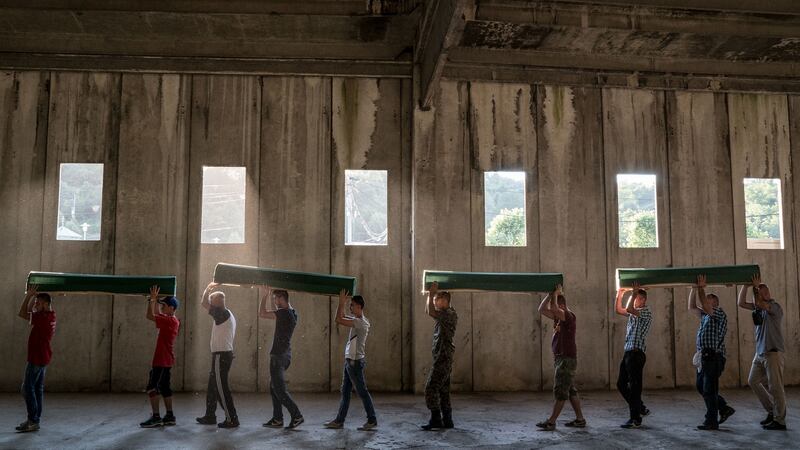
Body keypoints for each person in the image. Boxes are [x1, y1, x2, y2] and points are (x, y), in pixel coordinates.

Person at [738, 274, 787, 430]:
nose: (764, 293)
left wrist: (756, 287)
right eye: (761, 291)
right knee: (753, 381)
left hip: (773, 353)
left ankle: (780, 421)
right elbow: (740, 303)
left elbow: (759, 302)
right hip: (760, 353)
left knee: (775, 387)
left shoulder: (775, 307)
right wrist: (746, 285)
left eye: (765, 291)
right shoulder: (758, 307)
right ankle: (772, 411)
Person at [324, 290, 377, 431]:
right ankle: (339, 421)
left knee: (362, 392)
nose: (350, 307)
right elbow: (341, 316)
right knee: (345, 392)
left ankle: (372, 420)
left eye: (352, 305)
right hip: (350, 361)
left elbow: (338, 320)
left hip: (354, 362)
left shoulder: (360, 323)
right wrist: (342, 303)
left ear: (359, 306)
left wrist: (341, 302)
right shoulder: (358, 321)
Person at [535, 284, 586, 431]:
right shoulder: (558, 317)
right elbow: (541, 309)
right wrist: (550, 295)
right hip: (561, 359)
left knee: (561, 391)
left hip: (566, 359)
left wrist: (556, 295)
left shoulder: (568, 315)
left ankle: (551, 421)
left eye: (555, 306)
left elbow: (555, 309)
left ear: (562, 305)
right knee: (570, 390)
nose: (552, 310)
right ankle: (580, 419)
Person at [688, 275, 735, 430]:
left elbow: (703, 305)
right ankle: (724, 408)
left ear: (714, 303)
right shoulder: (705, 316)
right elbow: (691, 306)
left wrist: (701, 288)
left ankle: (711, 421)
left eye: (708, 300)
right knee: (701, 386)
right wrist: (695, 289)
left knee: (709, 388)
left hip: (714, 357)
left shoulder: (719, 313)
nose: (705, 302)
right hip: (705, 357)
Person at [196, 282, 239, 428]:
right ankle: (210, 416)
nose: (210, 305)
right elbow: (206, 303)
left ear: (217, 303)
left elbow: (203, 303)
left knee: (221, 390)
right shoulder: (227, 314)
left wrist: (207, 288)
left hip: (221, 356)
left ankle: (232, 419)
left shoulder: (222, 314)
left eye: (212, 302)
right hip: (221, 355)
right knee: (212, 388)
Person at [259, 287, 304, 429]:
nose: (274, 301)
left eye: (275, 299)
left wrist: (264, 296)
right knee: (274, 388)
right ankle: (278, 419)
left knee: (279, 390)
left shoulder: (284, 314)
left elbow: (262, 313)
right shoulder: (292, 313)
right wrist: (272, 297)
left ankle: (297, 416)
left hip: (278, 356)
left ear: (281, 298)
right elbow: (275, 312)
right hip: (285, 355)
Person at [15, 285, 56, 433]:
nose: (35, 305)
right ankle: (35, 420)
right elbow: (31, 311)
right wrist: (35, 297)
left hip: (36, 358)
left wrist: (29, 296)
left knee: (27, 389)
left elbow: (22, 313)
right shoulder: (50, 315)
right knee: (37, 390)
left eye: (38, 303)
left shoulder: (42, 318)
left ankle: (33, 420)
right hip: (43, 357)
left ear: (45, 304)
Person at [140, 286, 181, 428]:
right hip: (166, 360)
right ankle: (170, 416)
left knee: (152, 387)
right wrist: (155, 300)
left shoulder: (169, 321)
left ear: (171, 307)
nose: (162, 307)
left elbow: (150, 316)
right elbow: (156, 312)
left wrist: (152, 299)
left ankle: (156, 417)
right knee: (165, 388)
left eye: (164, 305)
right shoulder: (171, 319)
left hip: (161, 360)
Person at [614, 282, 652, 429]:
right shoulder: (633, 313)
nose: (635, 300)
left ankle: (635, 419)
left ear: (643, 300)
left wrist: (633, 292)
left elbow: (629, 308)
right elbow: (618, 309)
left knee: (635, 387)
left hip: (637, 354)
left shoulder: (646, 311)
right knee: (621, 384)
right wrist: (620, 293)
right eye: (635, 298)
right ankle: (640, 408)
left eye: (637, 298)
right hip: (628, 353)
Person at [421, 281, 458, 431]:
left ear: (444, 301)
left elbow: (430, 311)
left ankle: (436, 419)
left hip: (443, 357)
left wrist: (430, 293)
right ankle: (447, 421)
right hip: (442, 357)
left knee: (430, 388)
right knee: (443, 390)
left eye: (437, 299)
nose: (435, 302)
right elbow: (428, 311)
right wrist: (429, 296)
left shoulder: (448, 314)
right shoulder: (443, 314)